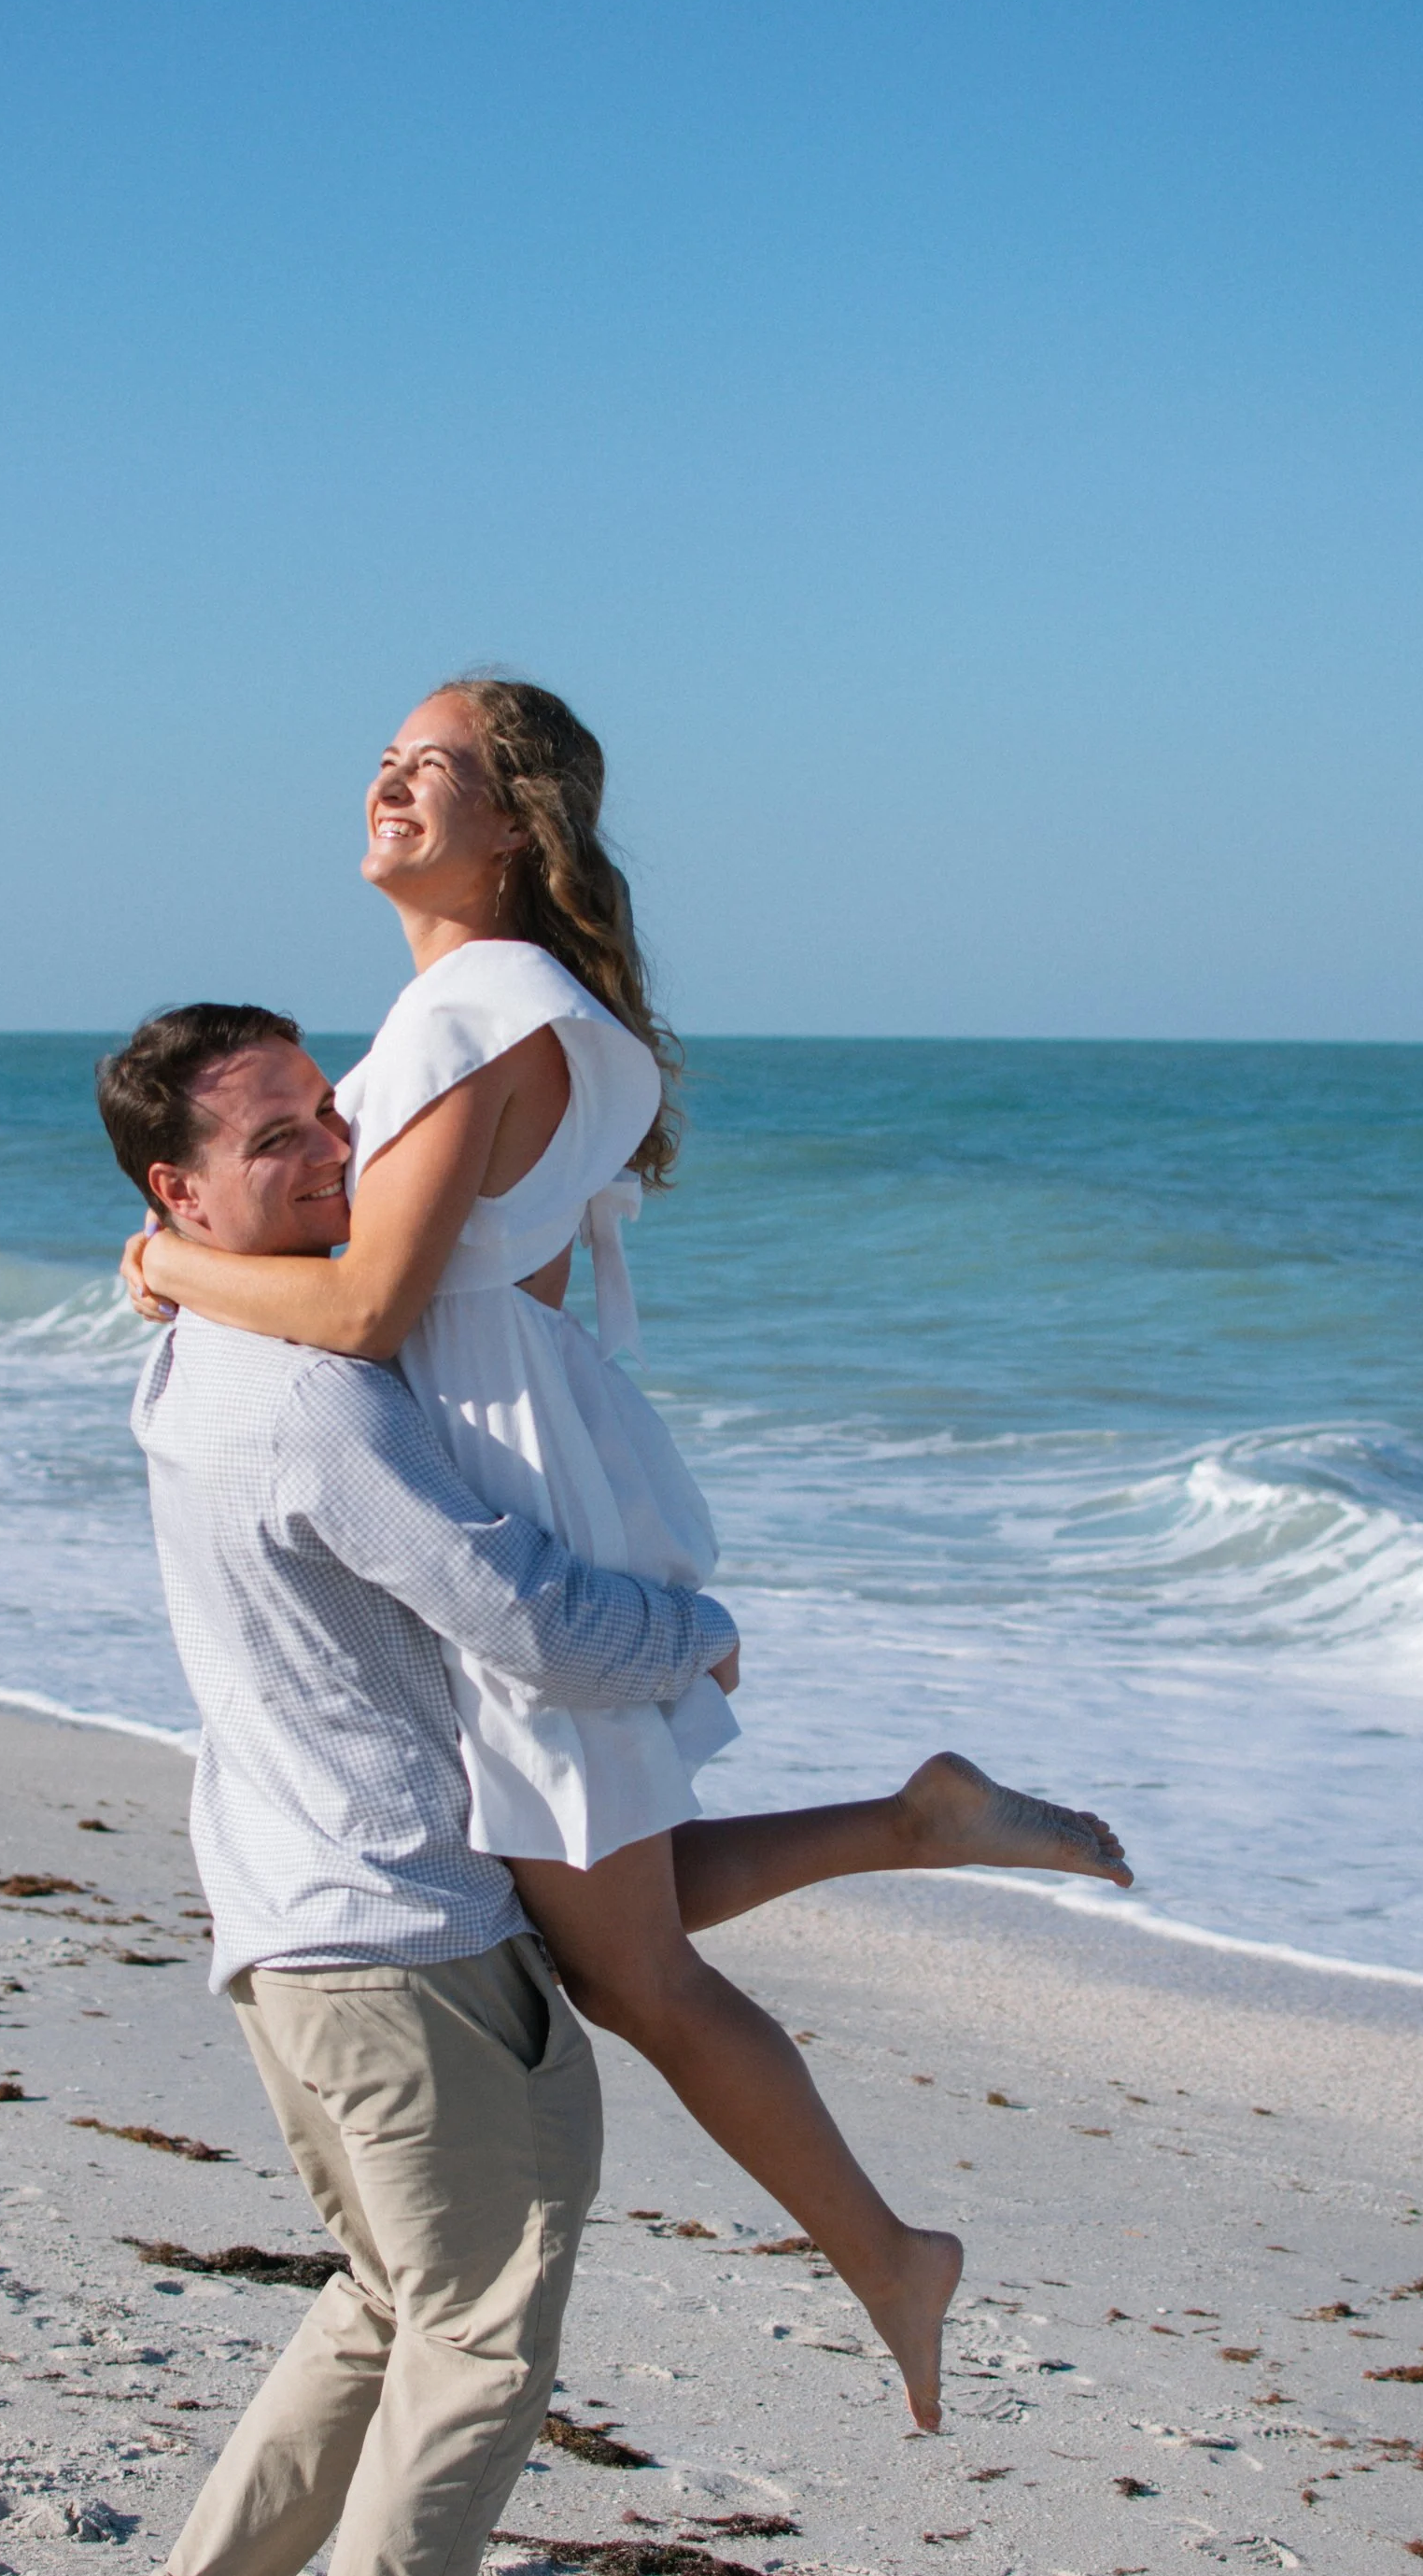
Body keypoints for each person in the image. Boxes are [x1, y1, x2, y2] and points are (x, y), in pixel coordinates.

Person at [118, 683, 1133, 2430]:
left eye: (429, 766)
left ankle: (894, 2248)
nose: (388, 778)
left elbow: (364, 1308)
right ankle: (918, 1828)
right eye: (385, 753)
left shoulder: (465, 1011)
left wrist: (168, 1268)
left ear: (518, 827)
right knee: (595, 1915)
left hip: (483, 1465)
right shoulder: (526, 1009)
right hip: (520, 1442)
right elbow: (524, 1281)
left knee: (627, 1962)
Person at [90, 1001, 738, 2576]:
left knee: (392, 2295)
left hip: (290, 1920)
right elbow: (516, 1614)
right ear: (178, 1187)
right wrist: (686, 1633)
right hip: (395, 1929)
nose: (324, 1155)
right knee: (476, 2328)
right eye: (271, 1140)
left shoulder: (196, 1349)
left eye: (325, 1116)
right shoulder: (303, 1388)